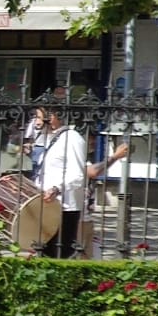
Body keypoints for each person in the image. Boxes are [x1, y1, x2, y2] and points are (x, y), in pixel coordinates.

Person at [35, 103, 97, 258]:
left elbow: (78, 175)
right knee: (44, 253)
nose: (36, 122)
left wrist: (57, 189)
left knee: (58, 253)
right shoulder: (52, 139)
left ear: (52, 117)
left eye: (38, 117)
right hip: (48, 205)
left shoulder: (72, 139)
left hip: (65, 207)